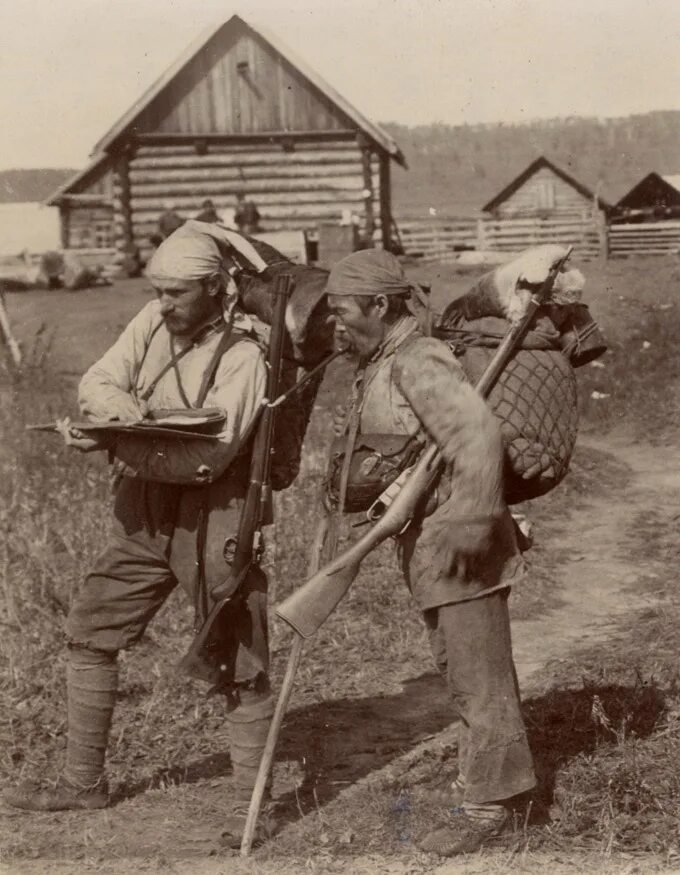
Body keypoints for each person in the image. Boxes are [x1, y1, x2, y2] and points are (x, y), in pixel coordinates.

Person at [4, 221, 279, 847]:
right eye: (157, 291)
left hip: (215, 510)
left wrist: (119, 440)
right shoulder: (153, 323)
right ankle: (83, 783)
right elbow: (98, 382)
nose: (162, 305)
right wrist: (121, 415)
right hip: (144, 505)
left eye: (176, 294)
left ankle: (249, 808)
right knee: (91, 627)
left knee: (237, 649)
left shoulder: (245, 355)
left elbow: (208, 457)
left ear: (215, 288)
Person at [324, 249, 536, 857]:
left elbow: (477, 435)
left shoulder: (417, 360)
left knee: (478, 674)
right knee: (460, 668)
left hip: (459, 538)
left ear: (380, 306)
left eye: (343, 312)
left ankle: (492, 806)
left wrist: (469, 524)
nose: (335, 324)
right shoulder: (384, 360)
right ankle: (489, 785)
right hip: (436, 539)